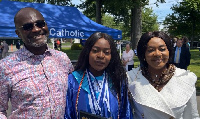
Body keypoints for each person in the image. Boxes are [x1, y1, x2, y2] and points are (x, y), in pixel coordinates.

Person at [0, 7, 73, 118]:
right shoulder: (6, 67)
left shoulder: (63, 59)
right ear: (18, 33)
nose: (36, 29)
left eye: (40, 23)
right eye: (28, 27)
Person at [127, 31, 199, 119]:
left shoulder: (186, 78)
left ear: (169, 51)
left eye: (162, 49)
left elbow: (192, 116)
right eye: (150, 50)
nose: (157, 54)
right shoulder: (131, 78)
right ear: (143, 54)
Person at [64, 32, 133, 119]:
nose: (101, 56)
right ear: (88, 52)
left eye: (106, 52)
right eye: (95, 51)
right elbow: (67, 114)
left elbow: (125, 114)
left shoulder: (117, 81)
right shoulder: (73, 81)